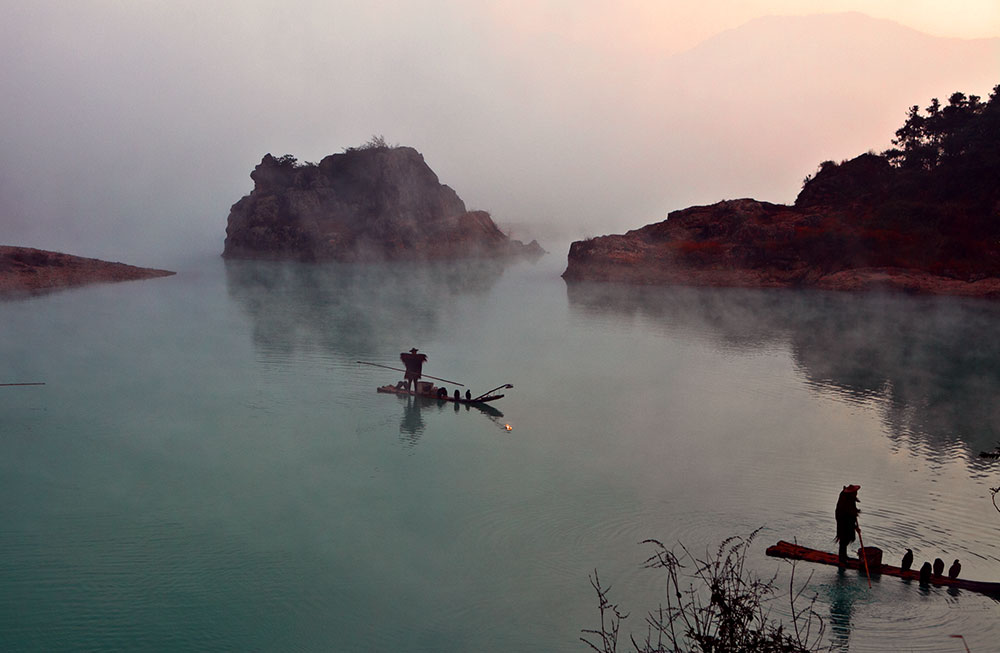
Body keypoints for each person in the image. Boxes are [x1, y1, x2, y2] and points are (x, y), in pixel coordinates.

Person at [835, 484, 861, 565]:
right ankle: (842, 559)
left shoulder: (850, 498)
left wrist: (855, 513)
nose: (856, 493)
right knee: (843, 538)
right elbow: (847, 513)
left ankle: (844, 556)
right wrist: (855, 526)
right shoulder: (844, 499)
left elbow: (852, 510)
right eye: (855, 492)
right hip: (843, 520)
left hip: (847, 519)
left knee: (846, 539)